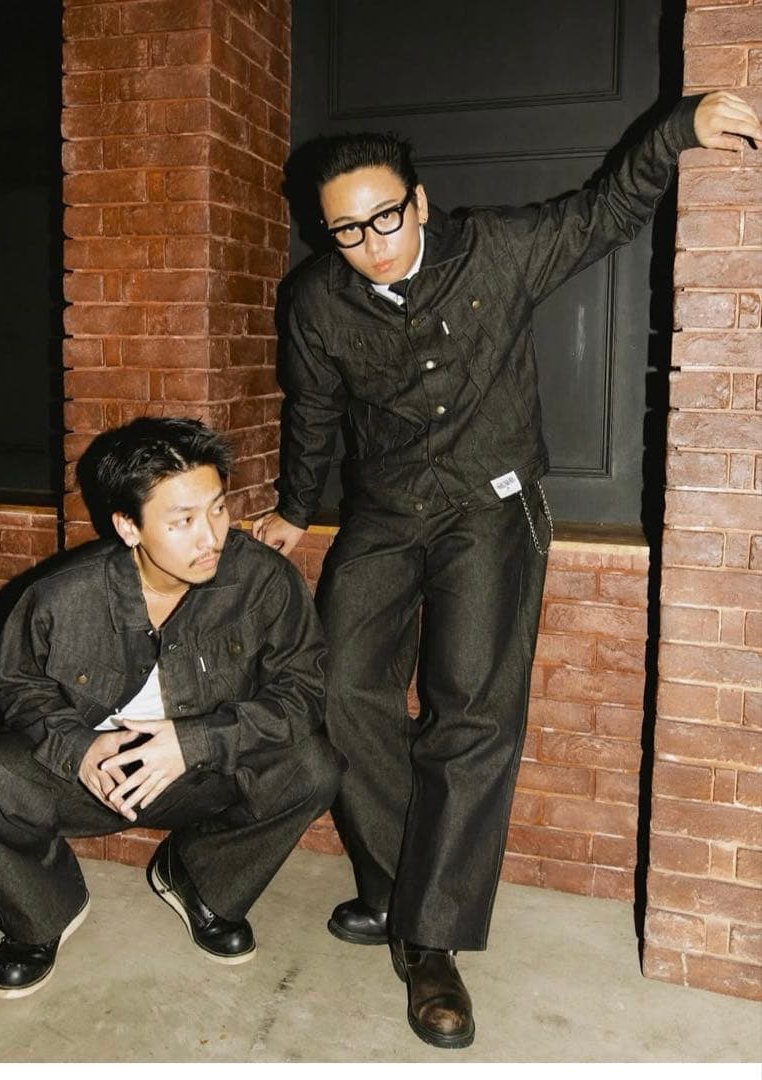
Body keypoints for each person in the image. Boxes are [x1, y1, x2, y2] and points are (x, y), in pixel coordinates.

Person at [252, 91, 762, 1049]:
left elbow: (605, 210)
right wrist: (291, 506)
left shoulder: (497, 249)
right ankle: (401, 885)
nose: (371, 244)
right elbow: (311, 412)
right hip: (383, 512)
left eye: (385, 217)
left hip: (491, 508)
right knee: (341, 688)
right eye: (346, 231)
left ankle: (429, 941)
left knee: (471, 711)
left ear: (419, 201)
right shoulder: (315, 299)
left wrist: (676, 128)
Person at [0, 417, 341, 1000]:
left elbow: (303, 692)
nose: (210, 537)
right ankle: (42, 915)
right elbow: (17, 685)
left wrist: (193, 742)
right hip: (91, 775)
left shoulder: (264, 581)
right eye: (182, 521)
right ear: (129, 526)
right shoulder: (62, 594)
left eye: (217, 509)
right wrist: (80, 749)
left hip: (203, 769)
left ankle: (200, 880)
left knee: (314, 768)